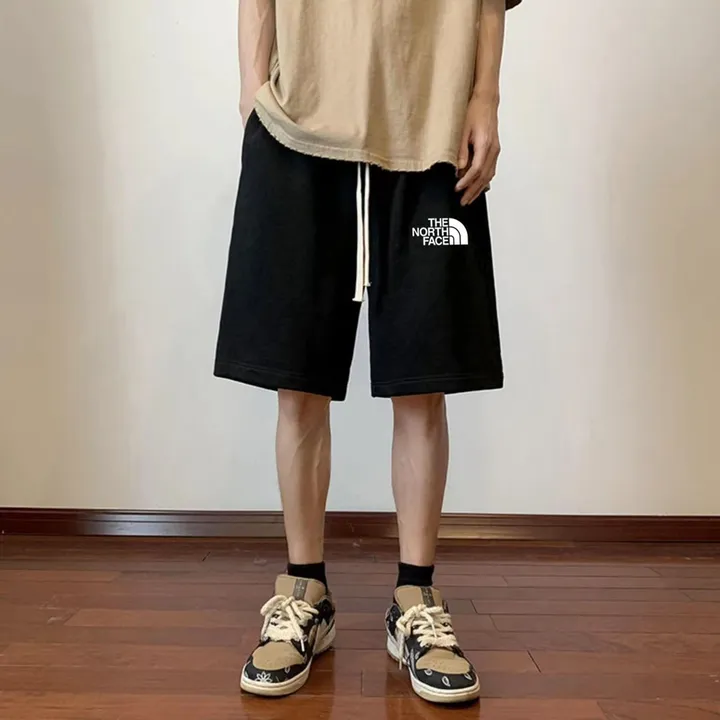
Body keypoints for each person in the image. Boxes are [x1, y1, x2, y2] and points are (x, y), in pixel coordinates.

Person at [215, 0, 520, 704]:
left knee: (423, 377)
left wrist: (485, 97)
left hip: (430, 118)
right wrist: (253, 88)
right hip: (299, 120)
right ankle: (304, 592)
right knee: (298, 376)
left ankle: (416, 599)